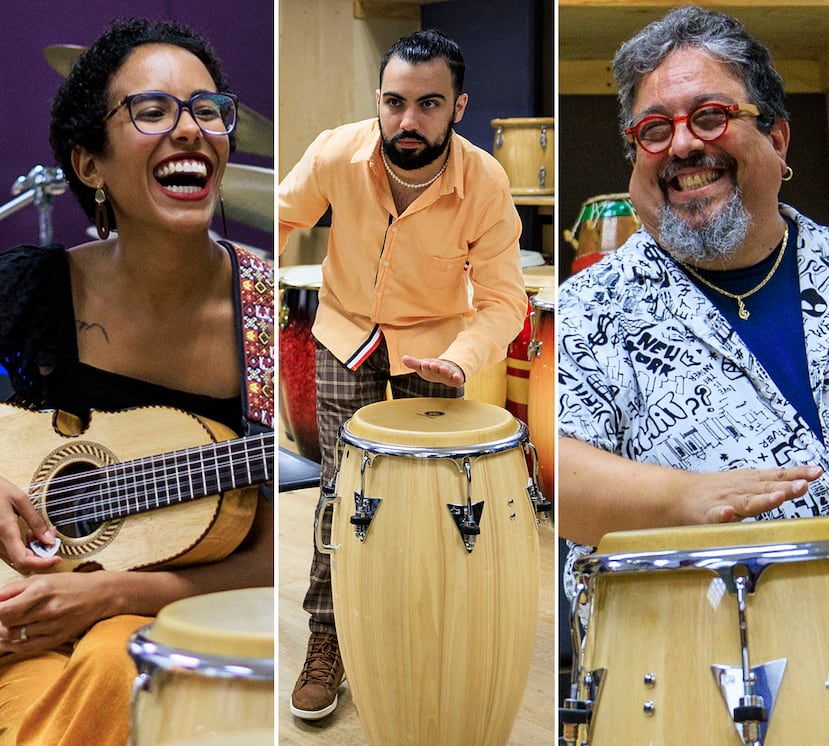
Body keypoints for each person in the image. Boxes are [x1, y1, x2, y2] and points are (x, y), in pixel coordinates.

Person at [0, 18, 274, 745]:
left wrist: (109, 595)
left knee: (116, 660)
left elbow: (274, 560)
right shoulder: (28, 290)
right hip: (20, 625)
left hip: (174, 620)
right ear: (89, 165)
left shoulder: (269, 318)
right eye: (152, 111)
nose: (189, 129)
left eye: (207, 109)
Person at [279, 28, 526, 720]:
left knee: (431, 499)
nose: (407, 119)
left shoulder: (485, 181)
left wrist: (461, 359)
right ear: (379, 100)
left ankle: (425, 624)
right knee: (341, 489)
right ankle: (327, 636)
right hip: (346, 333)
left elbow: (504, 299)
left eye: (428, 104)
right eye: (394, 102)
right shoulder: (335, 151)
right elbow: (276, 217)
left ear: (459, 107)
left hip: (437, 351)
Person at [558, 4, 829, 600]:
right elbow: (557, 472)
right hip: (680, 649)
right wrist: (689, 498)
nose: (681, 144)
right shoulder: (588, 309)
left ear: (776, 139)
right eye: (654, 130)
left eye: (710, 117)